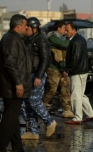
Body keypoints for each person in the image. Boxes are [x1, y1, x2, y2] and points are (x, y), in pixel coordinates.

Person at [20, 17, 57, 140]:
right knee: (26, 104)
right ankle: (33, 131)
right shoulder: (28, 40)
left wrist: (39, 76)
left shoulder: (41, 40)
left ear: (34, 28)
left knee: (34, 100)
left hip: (37, 75)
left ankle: (49, 122)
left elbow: (46, 60)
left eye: (27, 28)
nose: (26, 30)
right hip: (27, 75)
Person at [0, 14, 32, 152]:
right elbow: (10, 63)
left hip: (13, 85)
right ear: (18, 26)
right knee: (9, 119)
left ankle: (18, 148)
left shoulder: (15, 38)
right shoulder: (10, 39)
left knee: (12, 119)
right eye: (25, 25)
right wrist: (18, 83)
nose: (27, 28)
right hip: (12, 86)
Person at [63, 22, 93, 124]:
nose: (65, 32)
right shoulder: (79, 39)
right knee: (81, 95)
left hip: (77, 72)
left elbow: (75, 58)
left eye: (67, 30)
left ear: (74, 30)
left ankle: (77, 118)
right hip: (81, 71)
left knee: (76, 95)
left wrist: (68, 70)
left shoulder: (76, 41)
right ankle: (90, 115)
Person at [42, 20, 75, 118]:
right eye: (65, 29)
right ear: (59, 28)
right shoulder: (52, 37)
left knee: (65, 89)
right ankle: (41, 106)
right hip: (54, 68)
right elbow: (65, 45)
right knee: (52, 89)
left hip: (63, 68)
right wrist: (70, 38)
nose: (66, 31)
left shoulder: (62, 38)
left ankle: (67, 110)